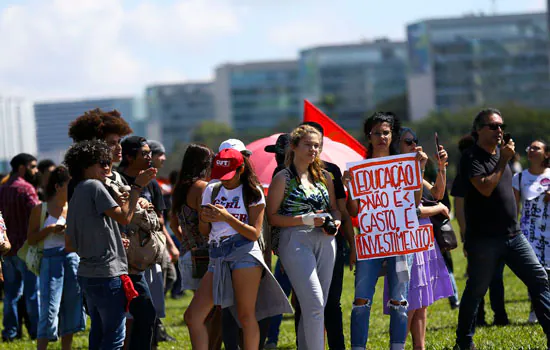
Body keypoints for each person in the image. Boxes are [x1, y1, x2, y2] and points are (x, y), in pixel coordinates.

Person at [454, 108, 550, 350]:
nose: (500, 130)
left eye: (501, 126)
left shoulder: (500, 154)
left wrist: (503, 158)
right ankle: (464, 342)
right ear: (478, 130)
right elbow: (484, 188)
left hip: (514, 236)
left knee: (539, 280)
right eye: (493, 126)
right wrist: (504, 160)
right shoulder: (472, 157)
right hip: (485, 240)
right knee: (476, 290)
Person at [68, 108, 159, 349]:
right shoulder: (95, 185)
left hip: (106, 266)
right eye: (111, 144)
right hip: (110, 267)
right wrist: (137, 190)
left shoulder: (88, 184)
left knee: (103, 329)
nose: (118, 149)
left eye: (119, 142)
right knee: (120, 329)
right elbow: (123, 218)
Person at [185, 148, 292, 350]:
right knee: (193, 316)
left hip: (244, 252)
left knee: (245, 315)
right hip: (217, 253)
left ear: (241, 169)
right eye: (220, 175)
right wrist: (204, 219)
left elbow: (254, 233)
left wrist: (227, 217)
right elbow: (205, 232)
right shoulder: (212, 189)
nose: (224, 180)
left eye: (228, 175)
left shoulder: (252, 192)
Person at [346, 112, 427, 350]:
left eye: (386, 132)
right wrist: (350, 186)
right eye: (376, 133)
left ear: (392, 135)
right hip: (370, 243)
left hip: (401, 245)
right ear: (368, 137)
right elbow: (353, 209)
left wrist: (419, 170)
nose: (381, 137)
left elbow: (413, 202)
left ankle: (397, 347)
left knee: (400, 300)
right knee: (361, 298)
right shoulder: (360, 169)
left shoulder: (404, 165)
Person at [267, 125, 342, 349]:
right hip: (295, 239)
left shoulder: (324, 176)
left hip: (326, 240)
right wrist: (305, 219)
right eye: (308, 145)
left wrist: (335, 221)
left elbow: (335, 208)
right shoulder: (283, 177)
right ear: (294, 146)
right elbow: (272, 217)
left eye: (317, 145)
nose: (313, 150)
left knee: (315, 306)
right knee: (315, 303)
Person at [395, 127, 454, 350]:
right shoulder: (393, 173)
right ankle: (398, 345)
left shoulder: (415, 173)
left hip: (423, 241)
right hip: (407, 241)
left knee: (422, 301)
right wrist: (439, 208)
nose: (413, 145)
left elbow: (437, 193)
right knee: (409, 299)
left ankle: (420, 347)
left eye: (415, 141)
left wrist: (440, 168)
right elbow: (412, 211)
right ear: (397, 146)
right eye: (407, 142)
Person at [118, 136, 178, 345]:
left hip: (150, 254)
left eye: (149, 152)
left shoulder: (152, 184)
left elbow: (160, 220)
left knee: (151, 312)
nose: (149, 157)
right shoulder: (118, 181)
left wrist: (169, 247)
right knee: (129, 318)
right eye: (143, 153)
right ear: (128, 157)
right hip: (125, 258)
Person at [451, 134, 508, 325]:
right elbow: (459, 205)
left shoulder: (482, 169)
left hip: (490, 232)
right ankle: (491, 316)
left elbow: (459, 206)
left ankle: (490, 316)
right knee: (487, 279)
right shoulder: (474, 170)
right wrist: (465, 233)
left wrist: (464, 232)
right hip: (482, 234)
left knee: (485, 278)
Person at [169, 144, 222, 350]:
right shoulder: (203, 187)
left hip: (188, 254)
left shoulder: (180, 188)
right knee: (213, 310)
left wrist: (187, 241)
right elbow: (206, 224)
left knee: (204, 310)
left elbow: (173, 223)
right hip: (205, 256)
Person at [26, 166, 85, 350]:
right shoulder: (41, 209)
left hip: (72, 259)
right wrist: (51, 230)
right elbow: (31, 239)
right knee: (49, 308)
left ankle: (66, 347)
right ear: (59, 186)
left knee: (72, 306)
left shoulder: (74, 207)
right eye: (70, 185)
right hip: (50, 261)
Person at [0, 153, 40, 342]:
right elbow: (39, 213)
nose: (36, 170)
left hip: (7, 250)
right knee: (32, 294)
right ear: (22, 168)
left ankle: (10, 332)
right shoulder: (27, 189)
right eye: (33, 166)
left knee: (11, 295)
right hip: (27, 249)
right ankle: (36, 332)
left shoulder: (3, 188)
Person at [513, 139, 550, 324]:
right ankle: (535, 309)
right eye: (530, 147)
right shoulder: (519, 178)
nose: (532, 150)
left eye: (537, 148)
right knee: (535, 273)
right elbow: (515, 208)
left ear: (546, 154)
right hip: (529, 232)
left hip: (549, 230)